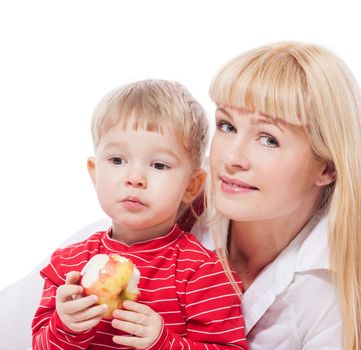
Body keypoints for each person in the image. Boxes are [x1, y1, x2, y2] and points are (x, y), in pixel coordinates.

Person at [193, 41, 361, 349]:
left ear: (326, 168)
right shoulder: (173, 204)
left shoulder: (328, 300)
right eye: (227, 125)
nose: (232, 157)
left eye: (269, 139)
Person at [31, 80, 248, 349]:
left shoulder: (203, 273)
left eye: (158, 165)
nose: (134, 178)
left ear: (191, 185)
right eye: (117, 160)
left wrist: (164, 342)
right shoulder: (68, 266)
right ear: (94, 172)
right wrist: (66, 327)